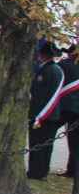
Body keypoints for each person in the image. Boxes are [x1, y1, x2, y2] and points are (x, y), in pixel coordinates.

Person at [28, 42, 63, 180]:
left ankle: (35, 172)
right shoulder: (57, 70)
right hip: (52, 114)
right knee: (47, 145)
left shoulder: (46, 71)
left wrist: (34, 114)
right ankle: (43, 170)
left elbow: (40, 95)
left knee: (38, 144)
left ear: (43, 55)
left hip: (43, 115)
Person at [57, 45, 79, 177]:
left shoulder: (64, 65)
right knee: (75, 142)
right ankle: (73, 170)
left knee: (45, 134)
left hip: (64, 106)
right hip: (77, 108)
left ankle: (39, 168)